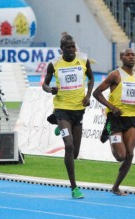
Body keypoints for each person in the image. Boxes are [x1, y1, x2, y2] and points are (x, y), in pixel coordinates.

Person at [42, 34, 94, 199]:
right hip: (62, 109)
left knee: (75, 153)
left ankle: (59, 126)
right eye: (68, 47)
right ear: (61, 49)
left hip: (78, 111)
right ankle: (74, 188)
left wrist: (88, 96)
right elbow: (44, 84)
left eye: (73, 46)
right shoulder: (55, 64)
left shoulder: (83, 60)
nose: (72, 49)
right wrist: (51, 90)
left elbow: (92, 78)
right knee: (69, 146)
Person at [93, 48, 135, 196]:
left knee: (130, 155)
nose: (131, 57)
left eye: (133, 55)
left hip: (131, 119)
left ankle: (116, 186)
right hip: (116, 118)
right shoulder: (115, 75)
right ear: (121, 57)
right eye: (128, 55)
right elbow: (96, 93)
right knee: (120, 156)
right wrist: (112, 107)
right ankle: (109, 133)